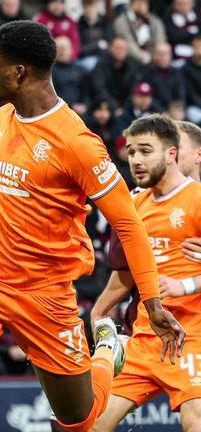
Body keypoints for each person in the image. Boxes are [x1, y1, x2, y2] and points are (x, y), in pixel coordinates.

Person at [0, 21, 184, 432]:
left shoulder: (77, 143)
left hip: (44, 294)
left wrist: (152, 303)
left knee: (79, 421)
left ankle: (106, 351)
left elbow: (129, 225)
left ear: (19, 73)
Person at [89, 115, 201, 431]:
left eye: (145, 151)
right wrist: (99, 308)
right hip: (144, 338)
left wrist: (186, 284)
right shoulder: (135, 204)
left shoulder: (196, 199)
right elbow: (127, 271)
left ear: (171, 153)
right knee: (93, 424)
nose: (136, 160)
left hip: (191, 336)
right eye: (132, 152)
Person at [114, 0, 167, 65]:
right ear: (131, 5)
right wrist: (141, 56)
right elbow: (127, 41)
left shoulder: (154, 21)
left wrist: (155, 55)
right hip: (132, 59)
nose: (141, 7)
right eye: (138, 3)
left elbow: (160, 40)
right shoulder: (122, 21)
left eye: (144, 4)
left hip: (153, 59)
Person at [142, 43, 186, 112]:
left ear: (170, 55)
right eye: (159, 54)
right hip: (153, 112)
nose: (162, 57)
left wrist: (177, 110)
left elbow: (181, 95)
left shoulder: (177, 73)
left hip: (174, 112)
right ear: (154, 55)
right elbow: (147, 97)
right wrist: (162, 112)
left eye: (165, 54)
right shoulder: (146, 72)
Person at [52, 36, 89, 116]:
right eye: (59, 48)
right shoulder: (48, 73)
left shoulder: (82, 70)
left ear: (71, 49)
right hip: (58, 111)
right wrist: (71, 105)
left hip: (81, 112)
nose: (62, 51)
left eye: (64, 48)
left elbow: (88, 93)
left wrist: (85, 105)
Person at [78, 0, 113, 71]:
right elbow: (81, 50)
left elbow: (110, 44)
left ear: (97, 7)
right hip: (86, 60)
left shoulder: (105, 23)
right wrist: (98, 45)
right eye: (86, 7)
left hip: (104, 57)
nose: (89, 10)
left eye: (92, 7)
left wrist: (92, 47)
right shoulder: (79, 25)